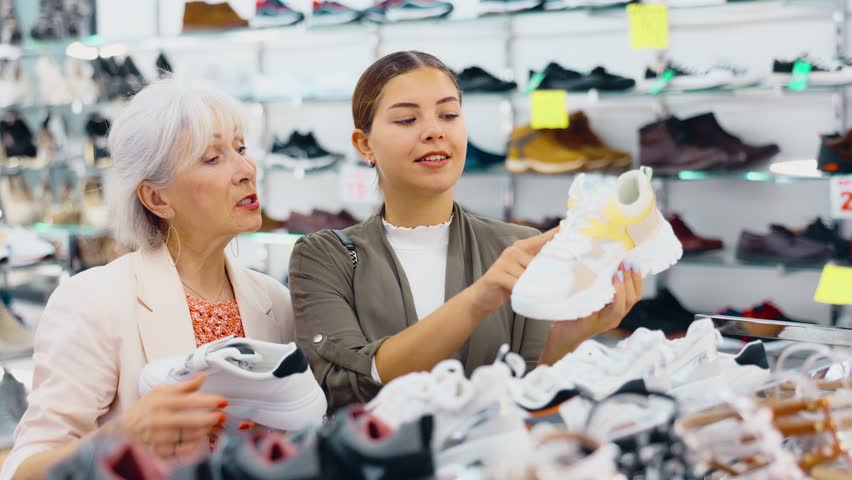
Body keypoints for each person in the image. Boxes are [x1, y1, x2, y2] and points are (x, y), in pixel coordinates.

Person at [289, 51, 643, 411]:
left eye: (449, 115)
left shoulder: (514, 245)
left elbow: (528, 395)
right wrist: (478, 299)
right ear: (365, 145)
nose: (434, 131)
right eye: (408, 119)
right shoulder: (323, 256)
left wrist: (570, 336)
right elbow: (344, 386)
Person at [1, 78, 297, 479]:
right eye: (213, 158)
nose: (246, 170)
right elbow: (23, 470)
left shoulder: (275, 302)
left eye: (241, 149)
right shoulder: (94, 301)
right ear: (157, 198)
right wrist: (124, 435)